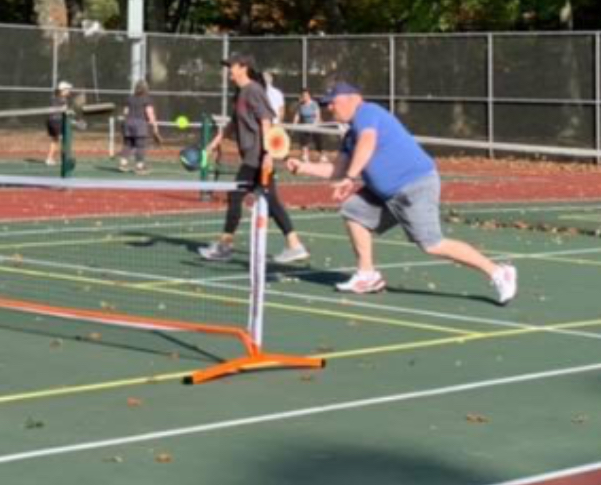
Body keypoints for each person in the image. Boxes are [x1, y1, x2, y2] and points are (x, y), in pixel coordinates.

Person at [286, 80, 517, 302]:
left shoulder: (367, 112)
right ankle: (367, 275)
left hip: (415, 185)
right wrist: (303, 167)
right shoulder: (349, 137)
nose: (329, 108)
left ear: (352, 99)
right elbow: (337, 171)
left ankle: (498, 272)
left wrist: (350, 177)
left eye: (332, 102)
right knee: (354, 210)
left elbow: (367, 143)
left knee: (432, 244)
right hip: (386, 195)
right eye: (326, 104)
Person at [199, 54, 309, 265]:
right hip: (252, 156)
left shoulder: (254, 90)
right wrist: (213, 144)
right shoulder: (240, 93)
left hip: (257, 156)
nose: (228, 70)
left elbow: (266, 121)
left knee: (235, 195)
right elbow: (232, 123)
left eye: (231, 66)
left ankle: (225, 245)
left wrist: (268, 154)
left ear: (243, 68)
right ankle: (295, 245)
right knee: (271, 199)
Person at [119, 80, 162, 172]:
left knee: (127, 144)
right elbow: (150, 114)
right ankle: (139, 167)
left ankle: (123, 164)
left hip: (128, 123)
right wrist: (155, 127)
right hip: (140, 124)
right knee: (140, 146)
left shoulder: (129, 98)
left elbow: (125, 112)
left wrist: (123, 124)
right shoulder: (147, 99)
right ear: (146, 88)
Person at [45, 81, 73, 166]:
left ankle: (49, 158)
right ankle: (65, 159)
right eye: (68, 89)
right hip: (57, 121)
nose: (69, 91)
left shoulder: (54, 97)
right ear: (62, 90)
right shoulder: (63, 99)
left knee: (55, 140)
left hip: (50, 121)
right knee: (65, 139)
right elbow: (65, 111)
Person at [293, 86, 322, 157]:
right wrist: (294, 124)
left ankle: (322, 155)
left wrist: (314, 124)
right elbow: (297, 115)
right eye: (303, 95)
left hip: (315, 126)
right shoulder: (300, 105)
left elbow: (317, 116)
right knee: (304, 141)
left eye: (306, 95)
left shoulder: (314, 104)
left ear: (309, 95)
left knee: (318, 142)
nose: (304, 97)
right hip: (305, 126)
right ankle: (305, 155)